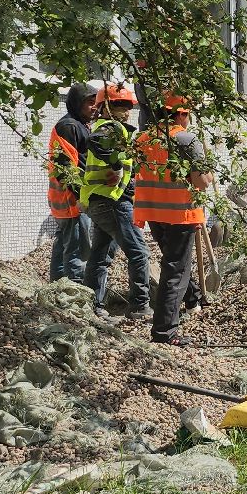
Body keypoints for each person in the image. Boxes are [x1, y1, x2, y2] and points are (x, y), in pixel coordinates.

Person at [131, 93, 214, 346]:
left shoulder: (142, 139)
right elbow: (200, 183)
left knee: (173, 265)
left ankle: (193, 298)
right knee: (175, 271)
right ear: (181, 114)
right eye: (187, 114)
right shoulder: (187, 140)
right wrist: (209, 174)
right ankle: (165, 332)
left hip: (153, 213)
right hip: (180, 214)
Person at [78, 84, 151, 322]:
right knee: (139, 252)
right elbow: (95, 142)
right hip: (112, 201)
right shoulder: (111, 128)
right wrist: (117, 164)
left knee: (100, 256)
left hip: (101, 200)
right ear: (106, 107)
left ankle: (92, 306)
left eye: (128, 106)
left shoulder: (117, 129)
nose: (126, 110)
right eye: (120, 105)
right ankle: (140, 306)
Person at [46, 82, 100, 283]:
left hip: (66, 199)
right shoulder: (69, 126)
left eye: (97, 103)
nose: (94, 107)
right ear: (77, 103)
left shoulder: (79, 125)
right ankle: (74, 294)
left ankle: (58, 290)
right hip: (72, 201)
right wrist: (81, 197)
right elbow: (65, 168)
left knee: (65, 245)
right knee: (78, 250)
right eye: (90, 102)